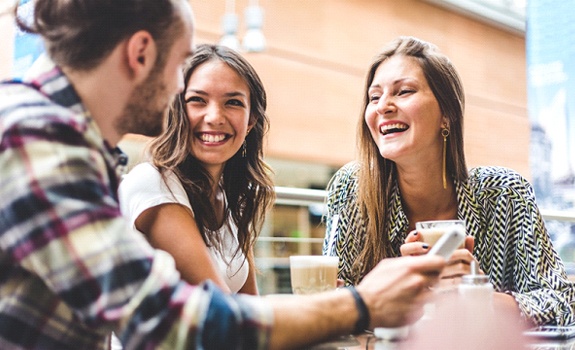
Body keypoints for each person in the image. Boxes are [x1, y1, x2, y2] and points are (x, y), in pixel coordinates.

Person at [0, 2, 448, 349]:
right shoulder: (36, 140)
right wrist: (363, 304)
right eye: (180, 68)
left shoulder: (63, 140)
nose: (180, 90)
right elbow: (171, 322)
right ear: (139, 54)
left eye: (233, 102)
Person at [323, 36, 575, 327]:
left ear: (447, 114)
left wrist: (478, 295)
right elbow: (333, 299)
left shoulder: (505, 193)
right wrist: (388, 294)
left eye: (403, 91)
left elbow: (563, 302)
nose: (383, 106)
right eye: (374, 97)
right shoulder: (351, 188)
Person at [119, 44, 274, 295]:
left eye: (232, 102)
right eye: (197, 100)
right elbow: (225, 312)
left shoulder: (232, 199)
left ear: (251, 122)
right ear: (176, 109)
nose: (214, 117)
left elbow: (250, 306)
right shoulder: (154, 184)